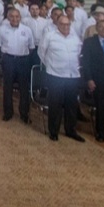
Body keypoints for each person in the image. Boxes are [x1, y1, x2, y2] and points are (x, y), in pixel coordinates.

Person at [38, 14, 84, 142]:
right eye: (63, 24)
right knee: (55, 105)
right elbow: (41, 52)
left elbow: (79, 53)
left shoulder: (75, 38)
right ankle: (54, 131)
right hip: (55, 75)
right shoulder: (50, 36)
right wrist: (51, 66)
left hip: (73, 75)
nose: (65, 26)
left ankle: (71, 130)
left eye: (68, 24)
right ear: (57, 25)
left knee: (71, 104)